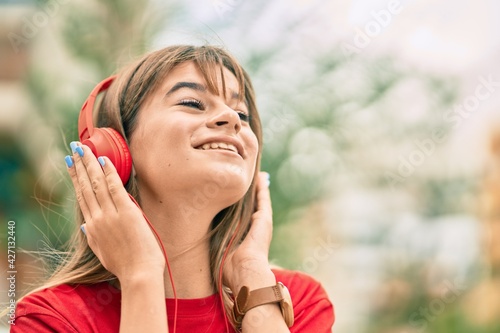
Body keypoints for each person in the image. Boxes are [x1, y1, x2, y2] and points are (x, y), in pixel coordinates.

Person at [11, 45, 334, 332]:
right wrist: (141, 276)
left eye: (241, 113)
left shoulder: (299, 303)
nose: (232, 120)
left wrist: (256, 289)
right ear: (116, 148)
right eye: (193, 102)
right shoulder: (53, 319)